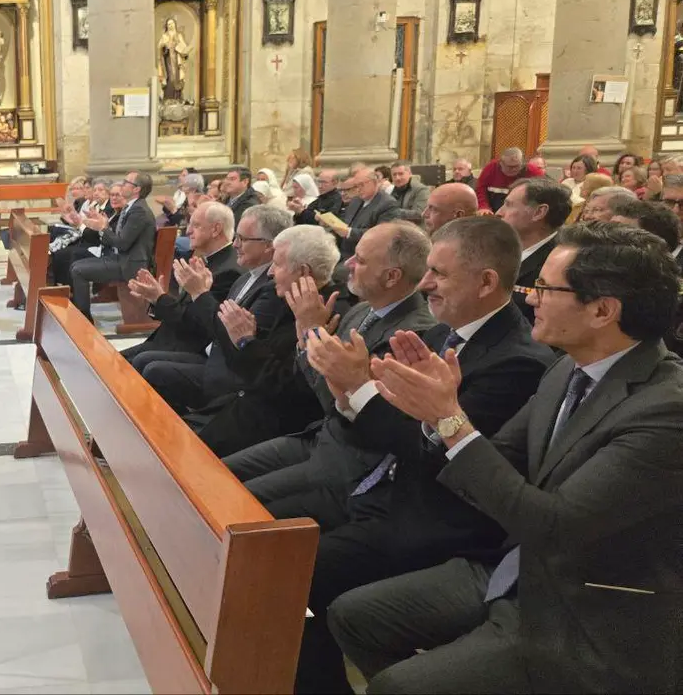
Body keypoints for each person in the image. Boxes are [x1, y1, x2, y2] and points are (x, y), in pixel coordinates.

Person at [331, 221, 683, 694]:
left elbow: (555, 527)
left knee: (400, 685)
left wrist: (450, 418)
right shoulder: (567, 369)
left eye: (545, 288)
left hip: (590, 609)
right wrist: (438, 418)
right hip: (520, 569)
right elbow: (499, 457)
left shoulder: (666, 407)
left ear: (602, 310)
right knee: (354, 616)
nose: (531, 297)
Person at [290, 216, 554, 693]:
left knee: (293, 578)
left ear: (487, 282)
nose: (425, 283)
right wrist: (351, 392)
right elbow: (390, 429)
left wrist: (361, 389)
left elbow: (443, 459)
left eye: (439, 273)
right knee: (275, 543)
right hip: (381, 487)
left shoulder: (517, 361)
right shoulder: (438, 336)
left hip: (442, 518)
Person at [221, 221, 437, 517]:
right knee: (217, 474)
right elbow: (311, 384)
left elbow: (339, 406)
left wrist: (310, 332)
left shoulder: (410, 335)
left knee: (235, 503)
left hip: (349, 460)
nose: (347, 263)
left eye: (360, 260)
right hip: (319, 438)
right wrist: (305, 339)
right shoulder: (362, 311)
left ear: (391, 277)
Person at [197, 223, 346, 455]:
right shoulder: (286, 299)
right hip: (244, 405)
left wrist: (246, 341)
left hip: (275, 426)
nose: (269, 272)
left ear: (304, 272)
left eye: (277, 264)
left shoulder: (328, 314)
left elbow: (285, 389)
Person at [135, 206, 294, 412]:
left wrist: (199, 294)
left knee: (152, 369)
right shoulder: (247, 276)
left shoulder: (270, 287)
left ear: (268, 246)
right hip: (211, 354)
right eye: (236, 237)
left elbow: (227, 336)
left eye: (243, 239)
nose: (235, 243)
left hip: (230, 370)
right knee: (138, 362)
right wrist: (163, 298)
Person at [121, 201, 241, 363]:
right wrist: (155, 298)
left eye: (196, 225)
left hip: (184, 350)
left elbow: (197, 325)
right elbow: (186, 312)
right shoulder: (209, 260)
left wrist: (160, 298)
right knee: (107, 359)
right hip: (167, 341)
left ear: (216, 229)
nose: (189, 230)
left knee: (118, 365)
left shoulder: (228, 271)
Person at [69, 171, 156, 322]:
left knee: (78, 270)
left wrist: (103, 228)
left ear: (137, 189)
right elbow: (119, 238)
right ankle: (81, 313)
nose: (122, 185)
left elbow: (122, 243)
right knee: (75, 264)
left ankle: (84, 318)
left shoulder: (139, 210)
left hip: (130, 265)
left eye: (126, 183)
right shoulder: (132, 207)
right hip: (121, 258)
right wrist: (103, 226)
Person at [497, 178, 569, 323]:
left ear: (539, 212)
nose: (499, 212)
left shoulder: (562, 262)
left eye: (509, 205)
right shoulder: (498, 245)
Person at [318, 168, 400, 273]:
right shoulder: (357, 200)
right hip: (341, 252)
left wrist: (349, 232)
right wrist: (329, 224)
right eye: (356, 186)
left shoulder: (387, 204)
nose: (358, 190)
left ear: (375, 182)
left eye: (361, 185)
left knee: (333, 273)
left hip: (364, 257)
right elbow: (344, 223)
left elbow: (381, 236)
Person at [51, 178, 115, 288]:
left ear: (108, 192)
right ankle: (60, 286)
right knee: (60, 253)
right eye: (95, 190)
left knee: (73, 253)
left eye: (100, 190)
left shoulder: (109, 208)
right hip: (89, 240)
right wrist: (76, 222)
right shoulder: (95, 206)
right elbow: (88, 228)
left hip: (99, 246)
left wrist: (79, 224)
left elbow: (95, 233)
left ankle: (71, 289)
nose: (96, 193)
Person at [474, 147, 544, 213]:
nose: (513, 170)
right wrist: (483, 207)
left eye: (516, 166)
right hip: (492, 210)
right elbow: (480, 188)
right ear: (500, 163)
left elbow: (543, 192)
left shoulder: (533, 171)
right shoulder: (491, 168)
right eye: (509, 167)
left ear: (522, 163)